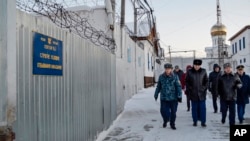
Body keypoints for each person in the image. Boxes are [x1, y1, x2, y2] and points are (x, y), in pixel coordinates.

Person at [154, 63, 182, 130]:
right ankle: (165, 120)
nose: (167, 70)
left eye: (169, 69)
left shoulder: (175, 77)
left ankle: (172, 124)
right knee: (163, 111)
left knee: (173, 112)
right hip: (164, 97)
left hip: (173, 98)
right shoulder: (161, 77)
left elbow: (178, 86)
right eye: (166, 69)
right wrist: (156, 93)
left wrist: (179, 95)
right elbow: (158, 86)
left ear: (171, 69)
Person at [185, 59, 208, 127]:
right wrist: (190, 88)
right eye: (195, 65)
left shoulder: (203, 71)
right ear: (193, 65)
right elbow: (187, 81)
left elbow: (206, 81)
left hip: (202, 94)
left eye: (198, 65)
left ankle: (203, 122)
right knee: (194, 109)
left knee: (202, 109)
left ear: (200, 65)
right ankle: (195, 121)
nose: (197, 66)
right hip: (193, 93)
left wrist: (203, 88)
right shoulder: (190, 72)